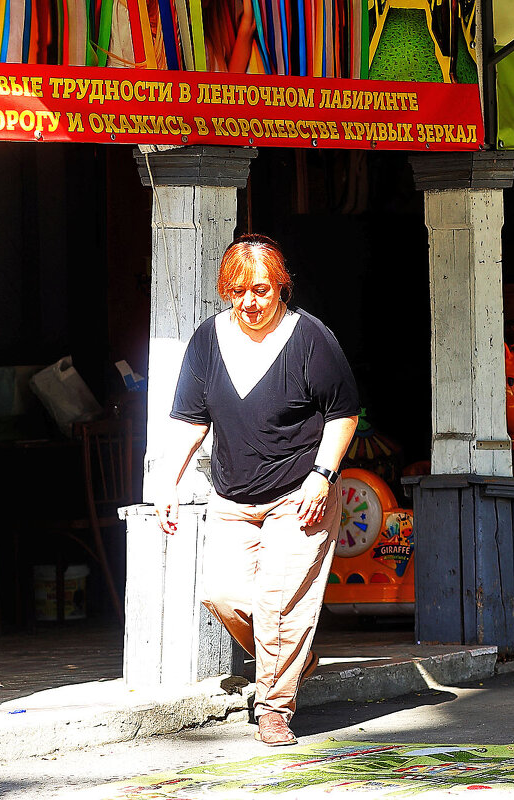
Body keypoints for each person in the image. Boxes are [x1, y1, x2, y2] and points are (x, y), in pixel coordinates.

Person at [153, 234, 360, 747]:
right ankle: (296, 659)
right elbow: (189, 419)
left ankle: (274, 707)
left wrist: (323, 475)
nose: (250, 302)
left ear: (281, 289)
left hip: (300, 493)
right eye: (239, 291)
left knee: (278, 604)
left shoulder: (309, 337)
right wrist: (166, 482)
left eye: (261, 290)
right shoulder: (208, 340)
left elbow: (344, 413)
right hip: (232, 497)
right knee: (220, 594)